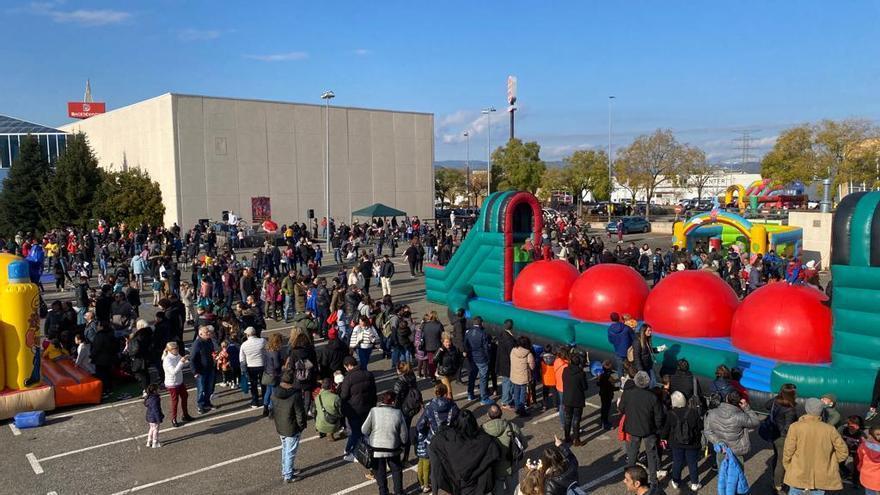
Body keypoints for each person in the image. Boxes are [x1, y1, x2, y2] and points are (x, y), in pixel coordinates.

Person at [782, 397, 849, 495]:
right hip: (821, 477)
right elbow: (843, 451)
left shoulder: (795, 427)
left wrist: (789, 467)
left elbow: (788, 451)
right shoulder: (829, 429)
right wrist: (831, 463)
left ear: (806, 409)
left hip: (798, 474)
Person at [430, 409, 502, 495]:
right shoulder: (485, 440)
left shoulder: (448, 440)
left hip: (458, 486)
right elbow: (496, 452)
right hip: (479, 487)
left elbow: (435, 445)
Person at [619, 370, 665, 486]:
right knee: (651, 455)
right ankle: (654, 480)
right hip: (649, 429)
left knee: (632, 453)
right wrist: (658, 428)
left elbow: (621, 408)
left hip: (632, 427)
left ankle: (629, 477)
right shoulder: (652, 397)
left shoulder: (628, 393)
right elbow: (659, 416)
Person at [362, 391, 409, 495]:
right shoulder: (398, 413)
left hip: (375, 448)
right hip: (393, 448)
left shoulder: (374, 411)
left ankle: (383, 492)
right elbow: (404, 435)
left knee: (380, 472)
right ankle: (399, 492)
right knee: (396, 470)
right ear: (393, 401)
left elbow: (364, 430)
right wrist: (402, 443)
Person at [416, 382, 459, 493]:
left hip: (433, 440)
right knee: (452, 467)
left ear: (435, 393)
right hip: (450, 440)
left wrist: (426, 432)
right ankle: (453, 490)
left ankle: (434, 492)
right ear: (445, 393)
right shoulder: (453, 406)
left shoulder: (430, 407)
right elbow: (459, 422)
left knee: (434, 469)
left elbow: (420, 425)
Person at [703, 391, 760, 468]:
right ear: (739, 402)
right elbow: (755, 422)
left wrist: (718, 442)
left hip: (721, 451)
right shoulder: (741, 416)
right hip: (737, 451)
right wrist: (747, 408)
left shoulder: (712, 413)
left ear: (726, 399)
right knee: (738, 476)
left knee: (722, 475)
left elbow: (707, 432)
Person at [660, 391, 703, 492]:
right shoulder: (693, 412)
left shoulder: (671, 413)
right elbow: (700, 426)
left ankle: (676, 481)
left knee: (677, 462)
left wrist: (663, 437)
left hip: (676, 442)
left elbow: (666, 429)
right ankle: (694, 483)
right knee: (692, 463)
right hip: (692, 442)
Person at [273, 369, 308, 483]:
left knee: (285, 449)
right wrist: (302, 426)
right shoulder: (295, 395)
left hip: (280, 426)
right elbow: (300, 413)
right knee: (290, 451)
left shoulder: (275, 392)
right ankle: (288, 475)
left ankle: (286, 470)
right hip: (292, 427)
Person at [340, 355, 378, 462]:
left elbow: (344, 396)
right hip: (367, 408)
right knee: (365, 431)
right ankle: (361, 450)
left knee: (355, 432)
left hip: (354, 410)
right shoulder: (368, 374)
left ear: (348, 366)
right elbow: (374, 392)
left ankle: (348, 451)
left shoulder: (348, 378)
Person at [482, 403, 524, 494]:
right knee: (513, 491)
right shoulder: (512, 427)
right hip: (511, 466)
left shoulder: (482, 430)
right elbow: (523, 444)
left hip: (494, 469)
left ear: (488, 415)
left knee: (497, 492)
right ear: (501, 414)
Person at [766, 383, 799, 493]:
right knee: (782, 461)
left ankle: (774, 477)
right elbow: (788, 427)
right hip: (783, 438)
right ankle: (778, 484)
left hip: (774, 434)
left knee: (776, 457)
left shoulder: (776, 401)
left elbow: (766, 405)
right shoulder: (790, 409)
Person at [162, 341, 192, 427]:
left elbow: (182, 364)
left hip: (179, 381)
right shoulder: (167, 360)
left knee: (185, 396)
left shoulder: (177, 355)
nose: (177, 350)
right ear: (169, 350)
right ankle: (174, 419)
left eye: (177, 348)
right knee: (175, 401)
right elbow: (174, 372)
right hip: (172, 384)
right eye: (175, 349)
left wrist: (187, 361)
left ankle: (185, 415)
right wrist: (182, 361)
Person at [562, 353, 589, 446]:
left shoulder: (565, 370)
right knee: (576, 420)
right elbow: (585, 387)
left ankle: (567, 437)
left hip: (567, 398)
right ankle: (576, 440)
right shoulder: (581, 373)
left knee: (568, 418)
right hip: (578, 399)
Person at [465, 316, 492, 405]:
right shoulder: (483, 333)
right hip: (481, 358)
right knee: (483, 378)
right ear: (481, 323)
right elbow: (486, 348)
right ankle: (483, 397)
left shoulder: (468, 332)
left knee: (472, 376)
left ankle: (470, 394)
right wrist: (488, 358)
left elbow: (465, 344)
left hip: (472, 357)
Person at [190, 326, 217, 413]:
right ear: (200, 334)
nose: (209, 333)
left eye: (209, 332)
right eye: (206, 332)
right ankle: (200, 405)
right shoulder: (197, 344)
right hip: (201, 371)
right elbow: (192, 359)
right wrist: (195, 372)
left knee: (209, 388)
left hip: (210, 368)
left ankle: (207, 403)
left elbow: (212, 351)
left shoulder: (209, 341)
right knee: (201, 389)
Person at [239, 326, 267, 409]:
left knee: (253, 384)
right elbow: (267, 352)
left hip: (251, 366)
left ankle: (255, 401)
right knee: (264, 383)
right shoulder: (262, 341)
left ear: (247, 335)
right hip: (262, 364)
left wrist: (243, 370)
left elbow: (242, 359)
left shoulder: (244, 345)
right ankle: (265, 399)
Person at [510, 336, 535, 417]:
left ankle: (517, 408)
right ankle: (522, 410)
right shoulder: (528, 353)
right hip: (524, 377)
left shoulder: (513, 350)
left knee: (516, 392)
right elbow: (532, 367)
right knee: (523, 394)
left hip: (514, 375)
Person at [495, 319, 517, 410]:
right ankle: (506, 401)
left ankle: (506, 400)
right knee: (508, 383)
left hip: (502, 363)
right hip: (508, 364)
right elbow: (511, 354)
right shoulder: (510, 340)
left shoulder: (502, 335)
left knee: (506, 382)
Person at [607, 312, 634, 380]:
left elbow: (611, 341)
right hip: (628, 351)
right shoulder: (626, 327)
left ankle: (622, 381)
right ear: (619, 318)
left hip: (618, 351)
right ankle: (631, 378)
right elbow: (633, 338)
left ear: (611, 319)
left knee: (620, 368)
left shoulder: (610, 329)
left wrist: (617, 342)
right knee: (630, 366)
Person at [434, 332, 461, 399]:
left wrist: (457, 367)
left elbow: (458, 359)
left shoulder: (454, 348)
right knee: (449, 390)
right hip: (443, 373)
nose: (448, 344)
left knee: (445, 388)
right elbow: (434, 360)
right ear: (442, 342)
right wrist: (441, 351)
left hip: (451, 372)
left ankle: (441, 397)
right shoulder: (440, 349)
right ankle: (452, 405)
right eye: (446, 342)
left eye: (449, 342)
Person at [263, 333, 284, 417]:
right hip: (275, 375)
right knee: (274, 393)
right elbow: (277, 365)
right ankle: (272, 409)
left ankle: (265, 407)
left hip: (268, 373)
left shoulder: (267, 350)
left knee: (268, 391)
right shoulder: (275, 352)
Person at [858, 425, 880, 495]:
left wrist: (859, 467)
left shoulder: (863, 446)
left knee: (869, 492)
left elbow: (860, 460)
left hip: (866, 477)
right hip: (878, 479)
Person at [597, 359, 617, 430]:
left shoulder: (601, 375)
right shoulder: (608, 376)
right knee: (606, 408)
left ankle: (603, 421)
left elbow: (598, 383)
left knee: (603, 407)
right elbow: (613, 382)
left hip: (602, 393)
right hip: (608, 394)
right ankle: (605, 423)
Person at [144, 383, 164, 448]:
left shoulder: (149, 398)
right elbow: (156, 410)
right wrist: (159, 419)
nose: (159, 389)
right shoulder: (155, 399)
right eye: (158, 389)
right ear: (154, 391)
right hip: (154, 418)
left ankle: (149, 441)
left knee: (151, 429)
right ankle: (155, 442)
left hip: (150, 417)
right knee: (156, 430)